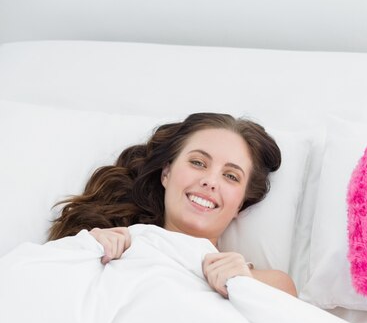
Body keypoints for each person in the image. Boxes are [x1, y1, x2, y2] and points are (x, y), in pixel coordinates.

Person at [48, 112, 297, 298]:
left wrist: (244, 279)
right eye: (198, 163)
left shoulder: (265, 282)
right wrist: (85, 250)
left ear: (241, 204)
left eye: (230, 176)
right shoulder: (108, 247)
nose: (210, 181)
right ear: (166, 173)